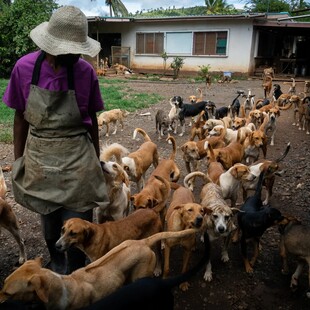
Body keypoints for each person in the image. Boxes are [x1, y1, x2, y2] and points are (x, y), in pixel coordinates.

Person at [2, 6, 109, 274]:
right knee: (50, 225)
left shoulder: (85, 73)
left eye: (78, 49)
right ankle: (58, 263)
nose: (75, 55)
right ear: (51, 44)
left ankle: (77, 271)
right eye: (69, 50)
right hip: (41, 156)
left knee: (80, 222)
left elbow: (92, 119)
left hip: (78, 158)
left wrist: (96, 159)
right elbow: (19, 117)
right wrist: (19, 161)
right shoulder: (24, 68)